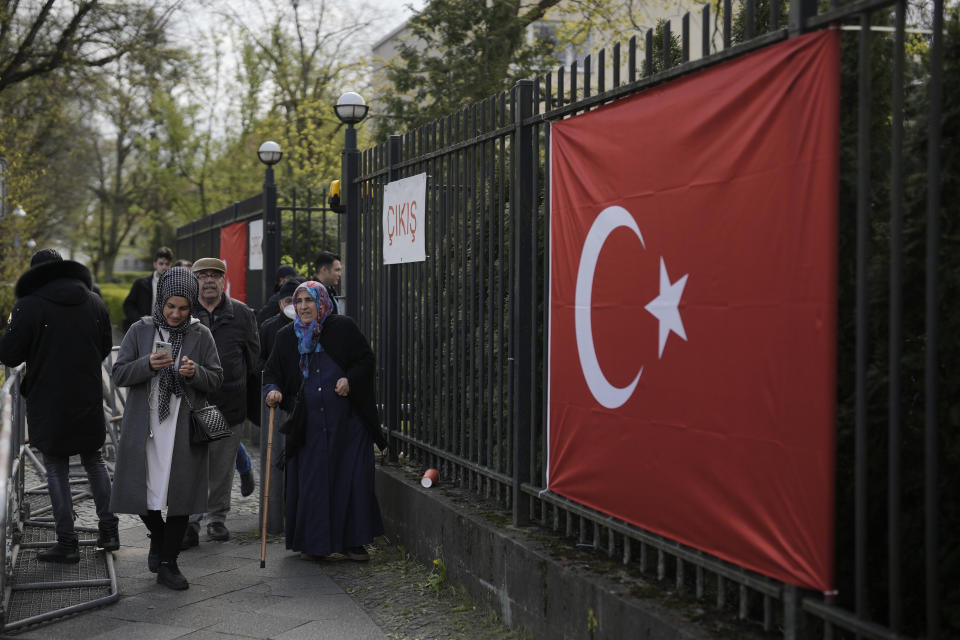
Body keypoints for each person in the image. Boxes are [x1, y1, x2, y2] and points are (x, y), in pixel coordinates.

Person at [0, 249, 118, 563]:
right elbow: (105, 347)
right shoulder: (94, 301)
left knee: (56, 468)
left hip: (48, 399)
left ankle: (67, 543)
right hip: (87, 395)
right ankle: (109, 530)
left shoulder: (29, 306)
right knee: (95, 462)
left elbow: (9, 355)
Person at [111, 266, 223, 590]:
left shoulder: (200, 334)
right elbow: (118, 374)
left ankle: (168, 563)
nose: (175, 314)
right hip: (144, 428)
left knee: (180, 495)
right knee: (141, 489)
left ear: (192, 305)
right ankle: (158, 539)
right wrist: (146, 364)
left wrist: (194, 372)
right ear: (160, 301)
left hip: (183, 426)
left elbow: (216, 379)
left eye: (183, 308)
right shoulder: (140, 330)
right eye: (170, 306)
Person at [263, 281, 385, 561]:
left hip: (348, 423)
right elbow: (270, 373)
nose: (304, 306)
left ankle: (352, 542)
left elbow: (366, 360)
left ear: (323, 303)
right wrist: (273, 391)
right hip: (308, 425)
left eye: (310, 300)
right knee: (314, 482)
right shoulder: (285, 337)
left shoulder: (343, 327)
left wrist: (350, 379)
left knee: (351, 480)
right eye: (300, 301)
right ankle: (314, 542)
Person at [182, 257, 259, 548]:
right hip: (195, 402)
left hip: (228, 402)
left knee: (222, 466)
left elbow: (253, 358)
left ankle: (216, 519)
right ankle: (190, 519)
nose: (209, 280)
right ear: (195, 281)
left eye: (215, 275)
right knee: (193, 464)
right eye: (203, 276)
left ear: (223, 280)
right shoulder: (185, 312)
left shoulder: (241, 313)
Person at [122, 247, 174, 331]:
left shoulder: (175, 285)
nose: (164, 267)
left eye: (167, 264)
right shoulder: (140, 283)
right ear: (155, 264)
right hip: (143, 328)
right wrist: (140, 320)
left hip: (166, 329)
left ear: (171, 265)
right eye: (161, 263)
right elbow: (128, 305)